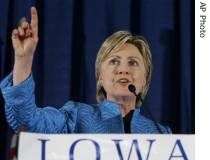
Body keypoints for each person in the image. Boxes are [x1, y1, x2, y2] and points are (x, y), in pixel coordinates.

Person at [0, 7, 171, 134]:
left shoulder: (162, 134)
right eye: (114, 61)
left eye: (133, 63)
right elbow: (26, 121)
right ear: (100, 78)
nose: (123, 70)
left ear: (145, 78)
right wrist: (23, 60)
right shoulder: (76, 117)